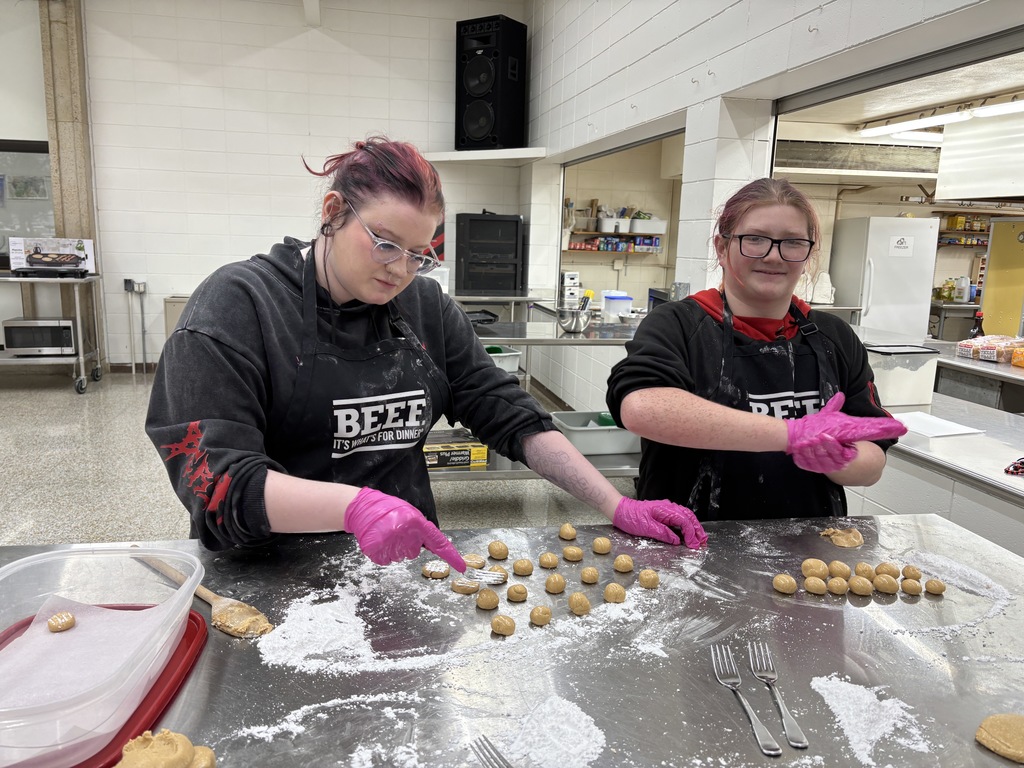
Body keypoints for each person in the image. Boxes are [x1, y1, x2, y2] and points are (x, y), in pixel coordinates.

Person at [146, 136, 707, 572]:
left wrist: (613, 504)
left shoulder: (422, 308)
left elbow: (506, 410)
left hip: (408, 573)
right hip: (271, 575)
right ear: (334, 210)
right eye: (385, 242)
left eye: (420, 253)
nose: (400, 268)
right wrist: (354, 506)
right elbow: (217, 482)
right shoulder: (238, 308)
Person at [605, 177, 908, 522]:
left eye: (792, 243)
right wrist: (792, 435)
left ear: (808, 253)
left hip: (809, 548)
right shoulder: (679, 324)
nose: (774, 256)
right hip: (687, 545)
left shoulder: (833, 336)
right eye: (755, 240)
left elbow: (872, 461)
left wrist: (840, 460)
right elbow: (641, 407)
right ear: (722, 247)